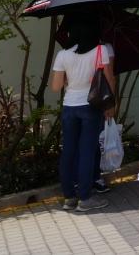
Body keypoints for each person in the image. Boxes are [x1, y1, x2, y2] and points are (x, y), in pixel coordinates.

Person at [49, 15, 115, 212]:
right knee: (87, 151)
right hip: (91, 107)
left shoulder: (63, 55)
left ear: (72, 34)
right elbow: (109, 79)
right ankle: (85, 198)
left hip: (69, 107)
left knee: (68, 151)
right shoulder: (100, 50)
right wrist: (110, 105)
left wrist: (68, 80)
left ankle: (69, 198)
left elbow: (55, 87)